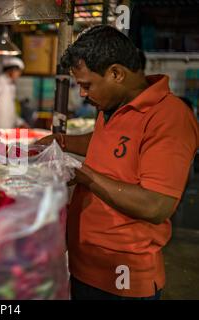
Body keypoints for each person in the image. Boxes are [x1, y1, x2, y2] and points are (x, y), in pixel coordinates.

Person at [36, 25, 199, 300]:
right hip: (86, 263)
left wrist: (83, 175)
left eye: (86, 85)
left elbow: (156, 205)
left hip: (121, 276)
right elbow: (106, 143)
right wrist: (60, 141)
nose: (83, 94)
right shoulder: (112, 105)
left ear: (116, 73)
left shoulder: (169, 117)